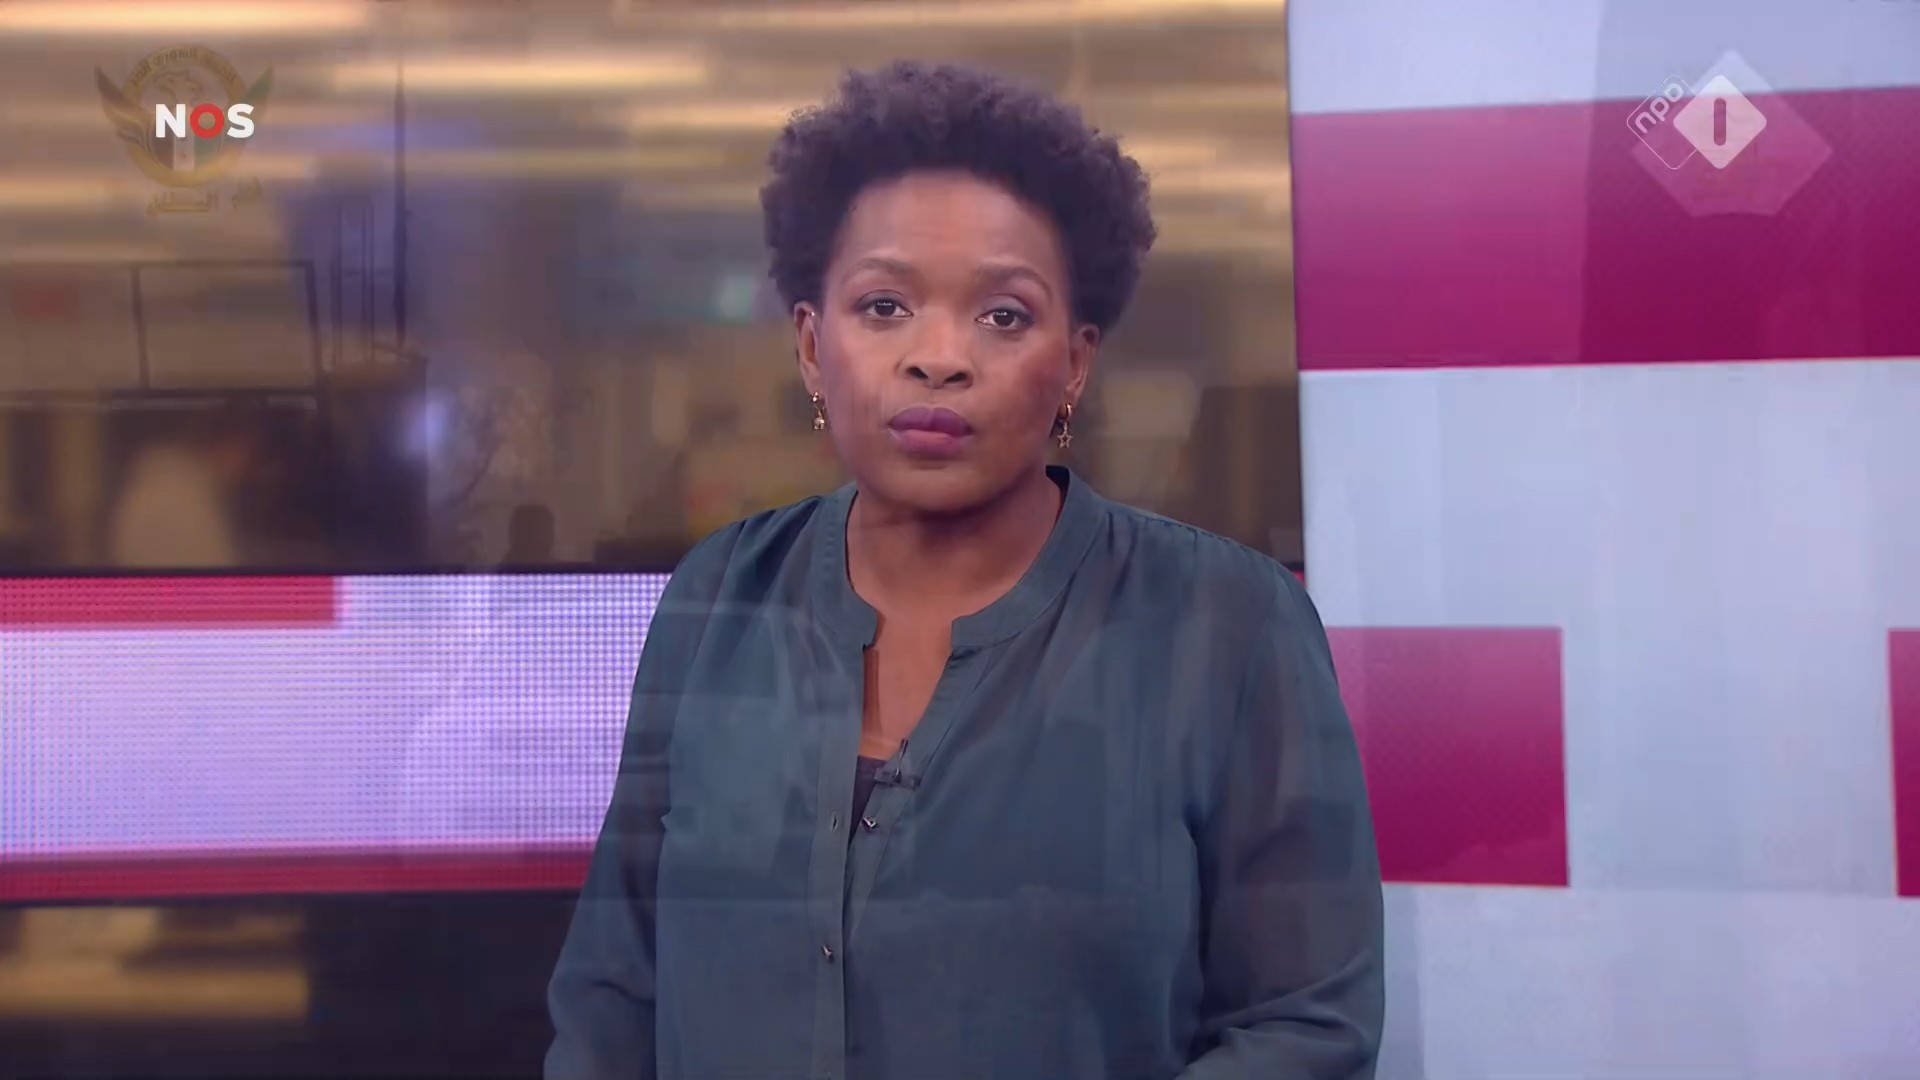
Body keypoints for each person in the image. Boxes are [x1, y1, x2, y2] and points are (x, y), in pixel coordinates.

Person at [547, 60, 1383, 1080]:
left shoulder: (1229, 625)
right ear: (811, 346)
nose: (938, 358)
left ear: (1075, 363)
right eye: (884, 306)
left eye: (1003, 316)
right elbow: (613, 989)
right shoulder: (719, 595)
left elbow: (1305, 1026)